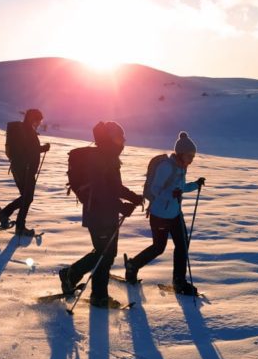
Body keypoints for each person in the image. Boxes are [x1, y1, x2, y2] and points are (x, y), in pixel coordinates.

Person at [59, 120, 143, 308]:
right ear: (109, 139)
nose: (122, 142)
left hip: (107, 212)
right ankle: (80, 281)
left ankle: (90, 288)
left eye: (123, 138)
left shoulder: (109, 158)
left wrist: (132, 197)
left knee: (106, 253)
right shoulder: (100, 159)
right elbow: (100, 192)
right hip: (98, 212)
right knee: (103, 254)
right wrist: (122, 207)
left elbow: (114, 187)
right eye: (119, 138)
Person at [124, 131, 204, 295]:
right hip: (160, 214)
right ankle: (133, 266)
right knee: (158, 248)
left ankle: (179, 282)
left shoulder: (181, 167)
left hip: (175, 214)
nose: (192, 160)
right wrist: (171, 194)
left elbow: (179, 189)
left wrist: (195, 185)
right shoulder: (166, 166)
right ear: (181, 154)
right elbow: (155, 188)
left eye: (193, 156)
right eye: (190, 156)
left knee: (182, 246)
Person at [0, 108, 50, 237]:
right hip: (25, 169)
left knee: (26, 197)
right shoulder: (26, 131)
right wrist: (44, 148)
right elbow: (30, 150)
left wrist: (41, 149)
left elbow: (28, 149)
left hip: (20, 168)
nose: (39, 123)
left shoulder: (24, 130)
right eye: (38, 120)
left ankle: (10, 217)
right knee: (27, 197)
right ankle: (15, 222)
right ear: (33, 119)